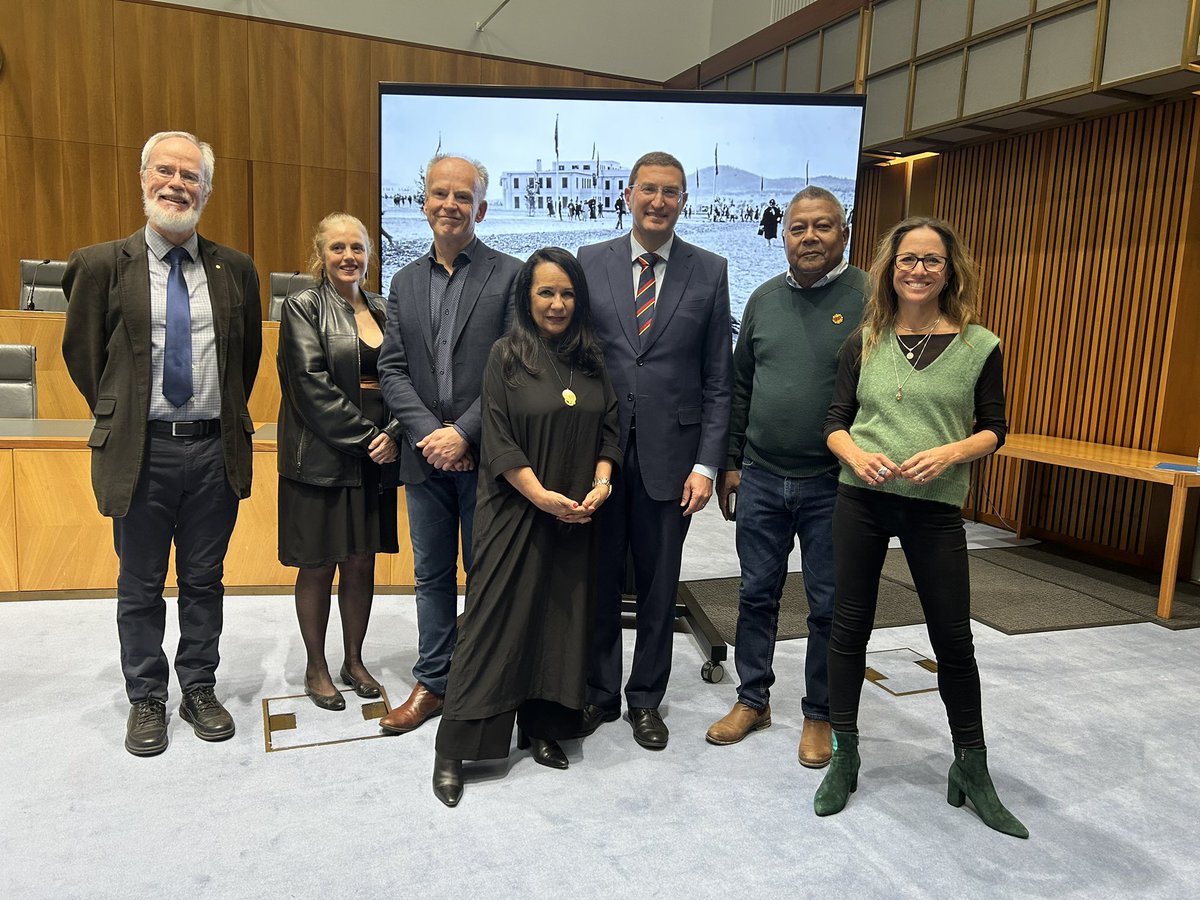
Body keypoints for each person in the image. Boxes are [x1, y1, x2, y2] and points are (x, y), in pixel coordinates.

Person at [814, 216, 1027, 839]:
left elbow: (995, 428)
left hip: (935, 505)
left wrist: (952, 453)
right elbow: (834, 421)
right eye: (908, 259)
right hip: (863, 498)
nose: (918, 270)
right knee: (848, 627)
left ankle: (973, 767)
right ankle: (845, 755)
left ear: (949, 270)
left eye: (931, 261)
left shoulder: (979, 344)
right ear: (891, 267)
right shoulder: (864, 341)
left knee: (952, 637)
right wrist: (854, 454)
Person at [62, 131, 262, 757]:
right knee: (141, 583)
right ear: (143, 177)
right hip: (141, 451)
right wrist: (123, 413)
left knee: (205, 579)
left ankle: (198, 686)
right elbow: (84, 356)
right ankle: (146, 697)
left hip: (211, 450)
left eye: (191, 175)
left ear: (207, 188)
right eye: (166, 172)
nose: (178, 184)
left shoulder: (236, 269)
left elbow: (245, 361)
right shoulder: (100, 264)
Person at [431, 247, 621, 806]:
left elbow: (610, 428)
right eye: (546, 292)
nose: (558, 303)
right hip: (515, 512)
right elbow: (498, 437)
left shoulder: (592, 360)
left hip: (575, 515)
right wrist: (542, 497)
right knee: (492, 626)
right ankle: (455, 747)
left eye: (566, 293)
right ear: (527, 298)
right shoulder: (505, 357)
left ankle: (541, 727)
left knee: (557, 624)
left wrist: (601, 484)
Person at [578, 151, 733, 750]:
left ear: (683, 201)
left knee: (660, 587)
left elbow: (719, 378)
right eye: (649, 190)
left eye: (671, 192)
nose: (659, 201)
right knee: (596, 579)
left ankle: (646, 699)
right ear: (628, 194)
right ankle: (598, 693)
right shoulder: (591, 264)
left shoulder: (710, 270)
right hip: (601, 456)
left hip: (676, 460)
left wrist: (707, 464)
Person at [708, 187, 867, 767]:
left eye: (822, 227)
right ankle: (753, 699)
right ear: (783, 235)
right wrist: (730, 462)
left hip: (835, 483)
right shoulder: (763, 299)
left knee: (827, 602)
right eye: (798, 228)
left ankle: (820, 714)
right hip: (762, 477)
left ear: (843, 234)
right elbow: (740, 385)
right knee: (755, 594)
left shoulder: (870, 299)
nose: (808, 238)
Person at [377, 154, 520, 735]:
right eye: (440, 194)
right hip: (424, 459)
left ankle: (484, 684)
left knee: (488, 575)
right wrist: (429, 436)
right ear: (425, 203)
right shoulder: (404, 280)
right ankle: (433, 681)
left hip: (486, 459)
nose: (450, 205)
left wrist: (462, 431)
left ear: (480, 209)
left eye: (462, 197)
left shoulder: (510, 276)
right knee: (431, 576)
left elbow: (515, 368)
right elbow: (391, 369)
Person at [276, 213, 401, 710]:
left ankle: (354, 660)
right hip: (322, 459)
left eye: (357, 248)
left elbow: (403, 379)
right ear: (320, 254)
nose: (348, 257)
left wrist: (394, 432)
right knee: (318, 565)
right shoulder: (302, 306)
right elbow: (309, 385)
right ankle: (316, 666)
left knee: (360, 562)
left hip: (376, 459)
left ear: (370, 254)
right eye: (337, 248)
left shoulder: (385, 309)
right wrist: (371, 437)